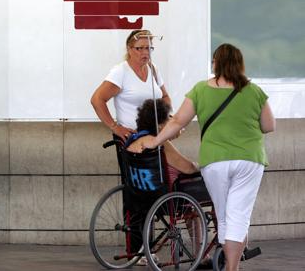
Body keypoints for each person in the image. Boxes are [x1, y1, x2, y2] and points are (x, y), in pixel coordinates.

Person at [141, 43, 275, 271]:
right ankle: (232, 268)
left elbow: (177, 121)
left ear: (215, 63)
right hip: (249, 160)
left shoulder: (200, 90)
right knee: (239, 216)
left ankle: (229, 264)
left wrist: (155, 141)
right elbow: (269, 125)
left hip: (215, 161)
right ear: (239, 64)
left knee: (223, 216)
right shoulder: (254, 91)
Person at [121, 98, 198, 266]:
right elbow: (188, 168)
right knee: (194, 210)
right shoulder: (160, 143)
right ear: (161, 124)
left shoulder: (132, 139)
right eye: (169, 118)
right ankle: (200, 255)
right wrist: (201, 166)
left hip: (137, 196)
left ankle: (143, 250)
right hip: (163, 200)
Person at [90, 29, 171, 140]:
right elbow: (97, 99)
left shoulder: (153, 69)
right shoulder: (121, 72)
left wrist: (166, 119)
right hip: (132, 137)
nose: (145, 53)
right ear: (129, 49)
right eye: (139, 48)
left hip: (155, 135)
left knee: (173, 156)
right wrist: (115, 127)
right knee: (173, 157)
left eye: (148, 48)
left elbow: (165, 97)